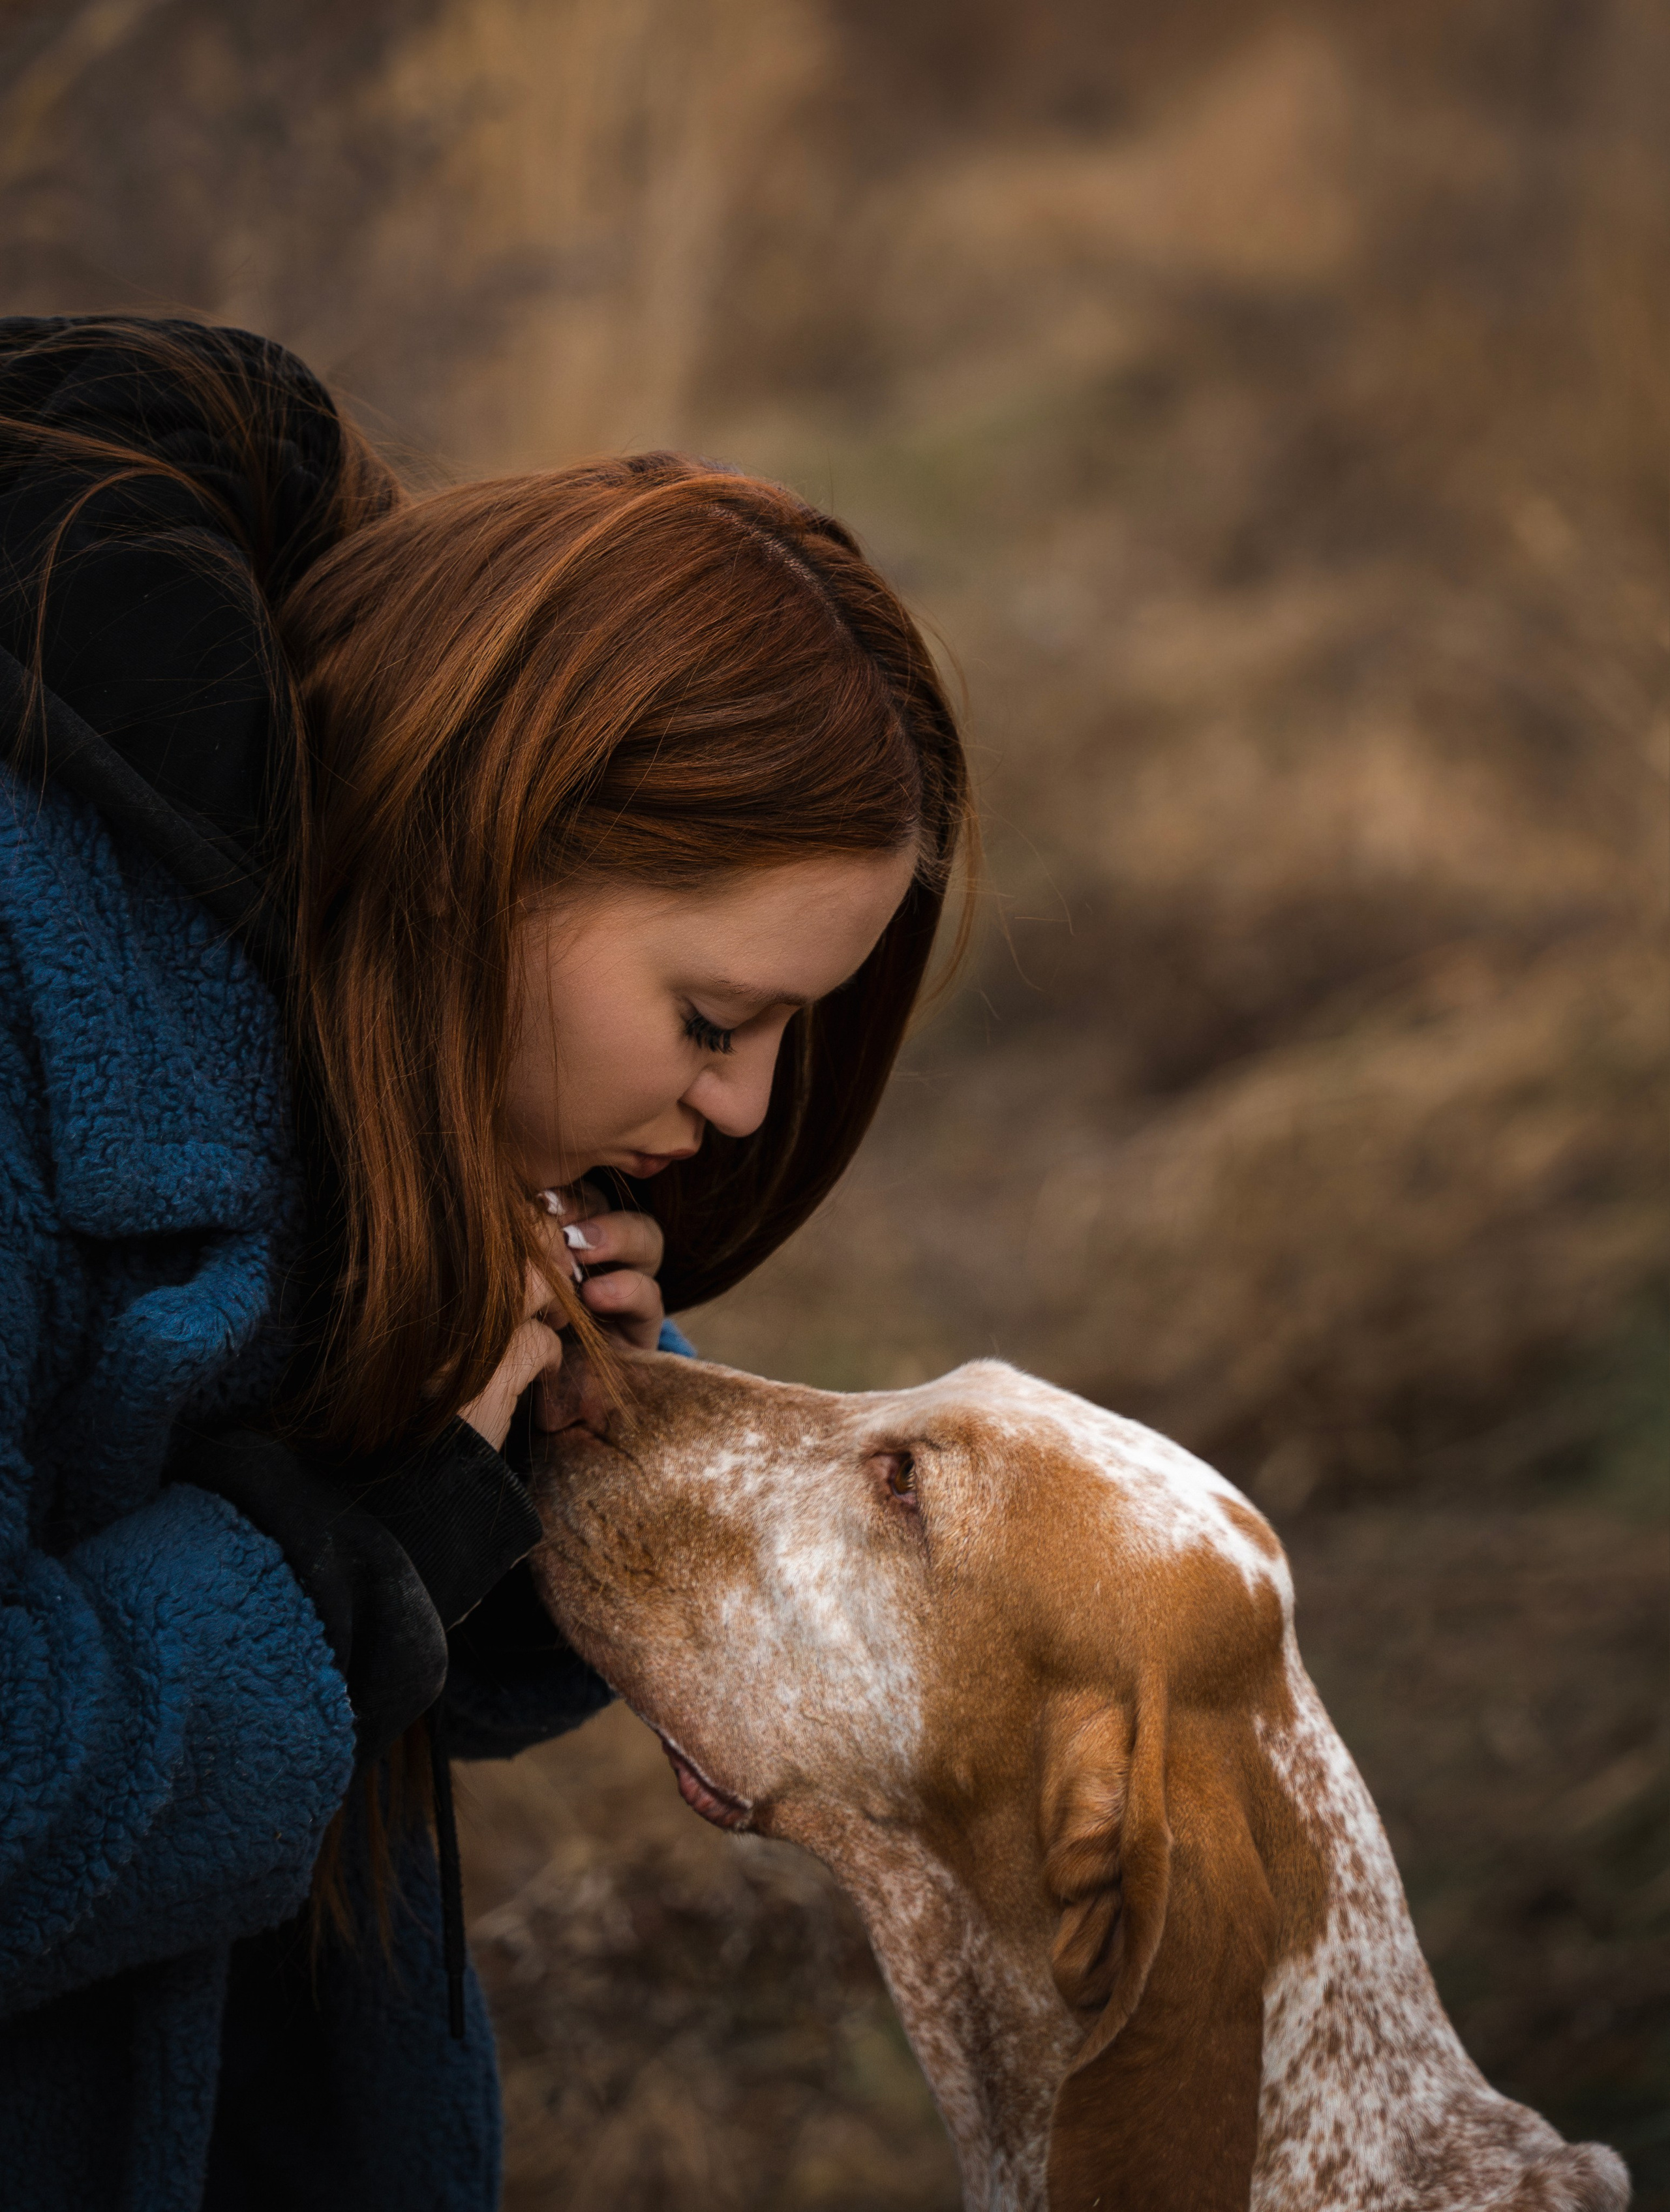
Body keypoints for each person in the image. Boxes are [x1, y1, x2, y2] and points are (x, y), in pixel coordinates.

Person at [0, 316, 970, 2212]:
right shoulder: (30, 1009)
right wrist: (341, 1551)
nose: (745, 1109)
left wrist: (536, 1478)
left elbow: (392, 1695)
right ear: (491, 850)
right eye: (711, 1015)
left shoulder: (323, 1020)